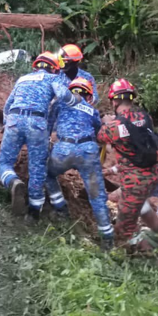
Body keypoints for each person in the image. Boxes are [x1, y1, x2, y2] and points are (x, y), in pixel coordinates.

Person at [0, 52, 80, 220]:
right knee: (37, 168)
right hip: (37, 123)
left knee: (3, 164)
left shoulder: (22, 79)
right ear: (54, 68)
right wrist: (76, 99)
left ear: (36, 65)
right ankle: (33, 213)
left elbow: (7, 105)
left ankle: (13, 181)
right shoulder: (52, 79)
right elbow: (63, 95)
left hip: (14, 119)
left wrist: (8, 124)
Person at [46, 77, 114, 250]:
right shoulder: (91, 110)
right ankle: (107, 238)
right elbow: (100, 134)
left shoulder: (60, 104)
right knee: (97, 196)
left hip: (64, 149)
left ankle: (61, 209)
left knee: (46, 173)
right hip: (88, 152)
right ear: (88, 95)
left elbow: (48, 126)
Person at [98, 79, 158, 244]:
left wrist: (108, 123)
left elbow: (101, 137)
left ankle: (138, 255)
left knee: (123, 229)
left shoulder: (113, 127)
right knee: (141, 206)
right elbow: (133, 128)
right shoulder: (145, 117)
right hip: (152, 175)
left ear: (114, 100)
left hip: (135, 182)